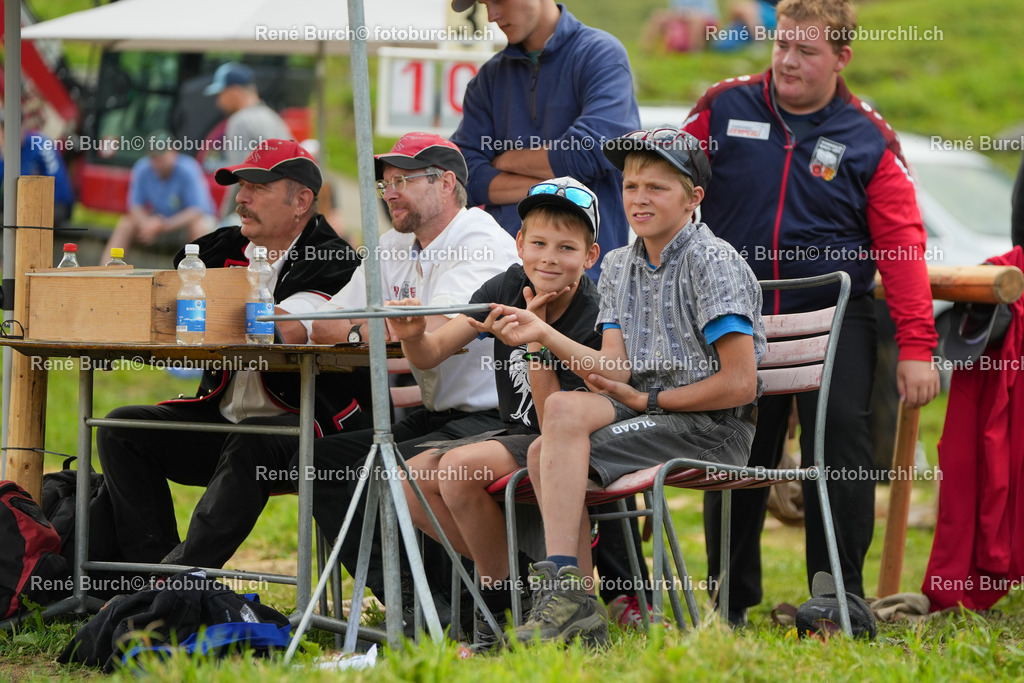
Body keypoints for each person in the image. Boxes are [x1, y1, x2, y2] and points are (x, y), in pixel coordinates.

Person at [683, 0, 940, 625]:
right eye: (782, 46)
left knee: (840, 447)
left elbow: (902, 244)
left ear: (841, 58)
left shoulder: (866, 135)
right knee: (735, 451)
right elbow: (659, 189)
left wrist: (917, 346)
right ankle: (728, 603)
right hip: (734, 313)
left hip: (834, 315)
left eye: (807, 51)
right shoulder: (723, 107)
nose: (789, 61)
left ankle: (838, 598)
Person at [476, 129, 765, 646]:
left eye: (657, 187)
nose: (638, 199)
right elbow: (614, 367)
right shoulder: (617, 264)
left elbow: (740, 385)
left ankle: (571, 604)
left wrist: (650, 400)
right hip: (647, 413)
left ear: (693, 198)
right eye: (631, 186)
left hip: (712, 429)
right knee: (554, 426)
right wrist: (542, 334)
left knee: (552, 441)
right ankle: (572, 597)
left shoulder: (711, 261)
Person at [97, 139, 373, 569]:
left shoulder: (332, 257)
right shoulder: (215, 249)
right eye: (240, 186)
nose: (241, 198)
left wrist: (219, 304)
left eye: (258, 187)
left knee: (252, 440)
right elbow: (168, 305)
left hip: (310, 425)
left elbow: (293, 330)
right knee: (121, 429)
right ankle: (150, 578)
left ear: (301, 201)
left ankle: (181, 579)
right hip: (220, 416)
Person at [306, 132, 520, 625]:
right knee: (320, 461)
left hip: (494, 420)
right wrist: (369, 326)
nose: (390, 192)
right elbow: (325, 323)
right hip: (438, 416)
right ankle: (409, 601)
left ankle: (453, 608)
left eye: (402, 180)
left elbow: (437, 332)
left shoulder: (477, 240)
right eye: (385, 183)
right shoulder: (392, 244)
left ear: (447, 183)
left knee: (375, 470)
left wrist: (362, 326)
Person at [385, 177, 602, 645]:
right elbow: (430, 353)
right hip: (514, 435)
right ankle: (510, 593)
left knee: (459, 468)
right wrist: (412, 333)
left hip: (563, 442)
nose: (548, 257)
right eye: (539, 242)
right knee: (408, 478)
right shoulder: (506, 285)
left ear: (589, 257)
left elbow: (553, 423)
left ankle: (501, 601)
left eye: (566, 248)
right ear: (519, 243)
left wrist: (537, 336)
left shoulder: (592, 311)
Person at [449, 0, 640, 280]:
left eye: (498, 0)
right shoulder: (488, 79)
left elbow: (589, 151)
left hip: (589, 281)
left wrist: (505, 160)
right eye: (484, 4)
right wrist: (569, 188)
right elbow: (465, 177)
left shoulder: (601, 54)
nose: (491, 15)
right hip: (502, 279)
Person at [102, 135, 216, 262]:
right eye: (154, 156)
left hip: (182, 223)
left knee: (199, 226)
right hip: (158, 221)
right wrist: (147, 224)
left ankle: (203, 272)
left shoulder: (189, 168)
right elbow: (135, 206)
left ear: (173, 152)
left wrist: (164, 225)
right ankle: (106, 271)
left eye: (162, 155)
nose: (158, 160)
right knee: (126, 224)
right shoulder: (142, 168)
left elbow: (197, 210)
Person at [204, 62, 291, 222]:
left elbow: (239, 178)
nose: (219, 102)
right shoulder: (273, 118)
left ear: (235, 90)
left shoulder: (240, 121)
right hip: (285, 208)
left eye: (220, 94)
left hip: (261, 211)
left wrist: (222, 219)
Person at [0, 114, 75, 227]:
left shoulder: (40, 144)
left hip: (52, 204)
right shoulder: (4, 149)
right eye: (4, 128)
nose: (10, 133)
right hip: (22, 202)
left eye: (15, 127)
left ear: (24, 125)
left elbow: (57, 185)